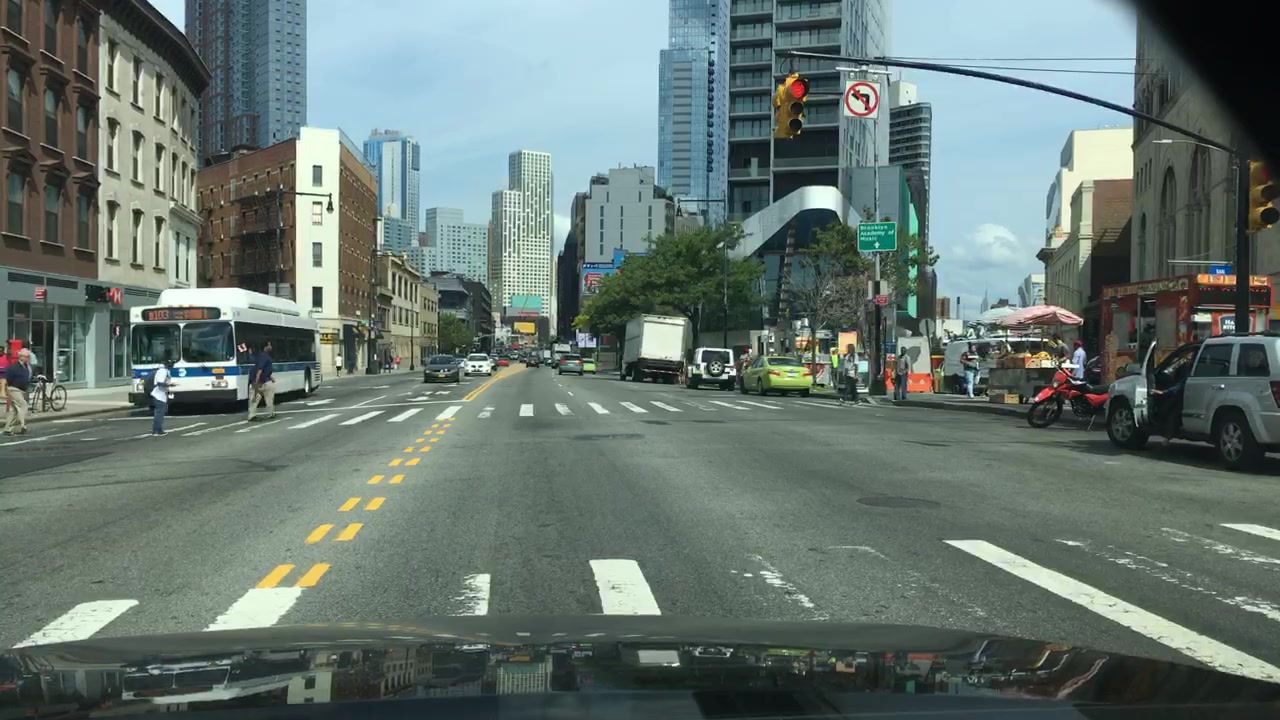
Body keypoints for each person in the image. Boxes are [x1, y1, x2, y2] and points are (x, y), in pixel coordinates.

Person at [2, 348, 33, 436]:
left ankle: (8, 429)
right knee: (23, 405)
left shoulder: (26, 367)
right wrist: (3, 391)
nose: (28, 358)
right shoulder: (13, 367)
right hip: (13, 389)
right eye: (27, 356)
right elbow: (4, 380)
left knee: (14, 411)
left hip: (22, 390)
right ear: (21, 357)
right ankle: (22, 426)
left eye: (28, 357)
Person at [248, 341, 276, 421]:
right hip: (263, 382)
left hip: (262, 380)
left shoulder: (259, 356)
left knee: (254, 399)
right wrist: (256, 383)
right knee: (269, 398)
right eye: (269, 345)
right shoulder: (265, 357)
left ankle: (252, 415)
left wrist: (270, 377)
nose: (271, 346)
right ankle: (271, 413)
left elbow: (263, 369)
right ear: (266, 347)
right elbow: (260, 370)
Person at [150, 355, 176, 435]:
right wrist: (169, 385)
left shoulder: (165, 371)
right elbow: (160, 383)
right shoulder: (163, 371)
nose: (173, 365)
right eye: (171, 363)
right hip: (158, 396)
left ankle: (159, 429)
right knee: (159, 413)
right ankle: (156, 430)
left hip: (161, 395)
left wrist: (168, 391)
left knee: (160, 413)